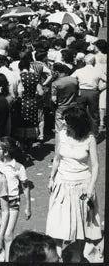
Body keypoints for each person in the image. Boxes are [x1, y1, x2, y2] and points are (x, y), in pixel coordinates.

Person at [45, 106, 102, 262]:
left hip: (82, 185)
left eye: (66, 120)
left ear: (76, 123)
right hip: (62, 183)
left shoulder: (90, 138)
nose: (63, 122)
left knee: (80, 223)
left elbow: (95, 165)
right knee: (57, 223)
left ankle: (77, 256)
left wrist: (90, 188)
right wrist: (51, 178)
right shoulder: (61, 135)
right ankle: (58, 257)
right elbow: (57, 158)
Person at [0, 136, 32, 261]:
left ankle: (7, 259)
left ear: (5, 152)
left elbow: (25, 187)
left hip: (13, 202)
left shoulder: (18, 167)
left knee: (7, 235)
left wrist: (28, 207)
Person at [71, 53, 106, 134]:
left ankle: (80, 132)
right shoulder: (98, 71)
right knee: (94, 114)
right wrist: (101, 87)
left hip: (81, 92)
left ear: (84, 61)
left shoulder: (79, 71)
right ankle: (94, 134)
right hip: (93, 92)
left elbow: (71, 79)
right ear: (94, 61)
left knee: (80, 113)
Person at [16, 58, 44, 146]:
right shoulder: (35, 76)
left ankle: (22, 141)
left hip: (21, 103)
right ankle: (30, 140)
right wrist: (35, 97)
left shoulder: (19, 77)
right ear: (29, 67)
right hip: (32, 102)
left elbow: (19, 92)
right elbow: (41, 92)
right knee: (32, 122)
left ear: (19, 67)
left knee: (21, 121)